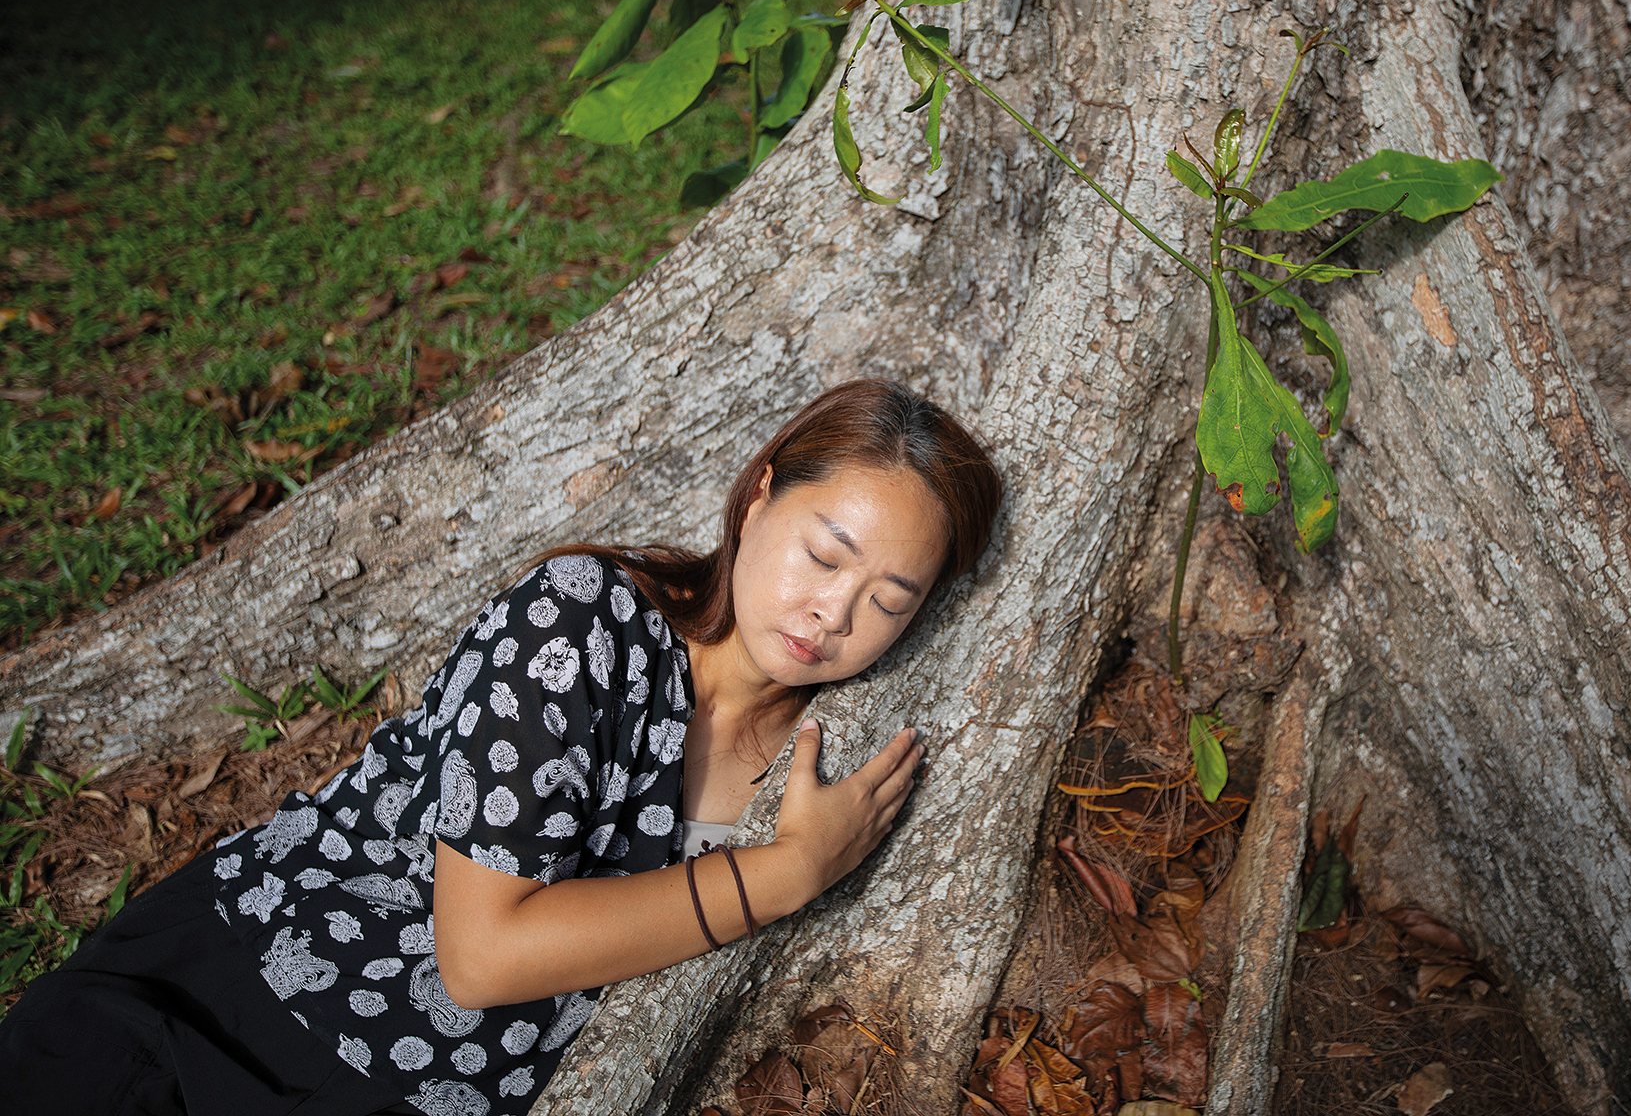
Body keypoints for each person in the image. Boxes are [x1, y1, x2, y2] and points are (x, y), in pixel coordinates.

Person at [0, 379, 1002, 1116]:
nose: (833, 612)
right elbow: (481, 955)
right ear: (758, 499)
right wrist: (787, 872)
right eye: (823, 554)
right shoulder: (581, 622)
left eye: (888, 600)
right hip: (235, 1005)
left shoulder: (820, 758)